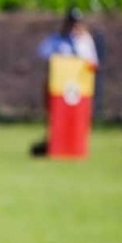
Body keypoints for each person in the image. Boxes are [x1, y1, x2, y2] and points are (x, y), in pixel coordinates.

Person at [30, 8, 100, 157]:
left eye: (76, 23)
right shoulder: (56, 39)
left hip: (80, 88)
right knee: (55, 115)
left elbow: (93, 62)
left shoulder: (85, 41)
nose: (73, 26)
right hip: (59, 86)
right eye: (71, 22)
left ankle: (76, 144)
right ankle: (55, 143)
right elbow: (43, 54)